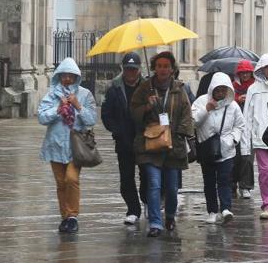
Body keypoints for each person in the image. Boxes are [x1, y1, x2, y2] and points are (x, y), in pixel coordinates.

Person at [131, 51, 193, 237]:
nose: (163, 69)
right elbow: (133, 113)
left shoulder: (179, 89)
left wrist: (181, 133)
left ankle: (170, 216)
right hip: (150, 144)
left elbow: (187, 114)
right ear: (154, 68)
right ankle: (155, 223)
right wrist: (147, 107)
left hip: (173, 146)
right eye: (159, 66)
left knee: (172, 188)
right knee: (154, 184)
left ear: (172, 69)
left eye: (166, 66)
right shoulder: (144, 88)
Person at [38, 57, 97, 233]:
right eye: (64, 75)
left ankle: (72, 216)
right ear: (59, 76)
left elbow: (91, 119)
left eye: (71, 76)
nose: (68, 79)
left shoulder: (85, 94)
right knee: (60, 183)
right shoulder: (51, 95)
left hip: (75, 146)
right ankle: (65, 217)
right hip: (55, 144)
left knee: (71, 178)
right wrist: (57, 109)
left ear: (76, 77)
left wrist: (78, 106)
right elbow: (42, 117)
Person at [192, 72, 246, 225]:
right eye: (218, 90)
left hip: (226, 150)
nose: (221, 93)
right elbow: (193, 121)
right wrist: (206, 109)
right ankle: (212, 211)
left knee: (224, 180)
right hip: (206, 149)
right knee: (209, 181)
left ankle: (226, 209)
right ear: (212, 89)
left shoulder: (233, 106)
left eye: (224, 90)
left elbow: (240, 125)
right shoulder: (201, 102)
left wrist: (233, 140)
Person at [101, 52, 147, 225]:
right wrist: (116, 130)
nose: (131, 73)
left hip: (144, 139)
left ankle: (147, 201)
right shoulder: (114, 88)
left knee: (147, 176)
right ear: (123, 69)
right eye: (128, 69)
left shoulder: (147, 86)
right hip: (124, 141)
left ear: (139, 70)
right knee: (126, 177)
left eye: (134, 69)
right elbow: (106, 114)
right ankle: (133, 209)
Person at [242, 53, 268, 219]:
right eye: (267, 67)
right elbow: (248, 115)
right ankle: (267, 203)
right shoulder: (253, 89)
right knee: (265, 171)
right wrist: (246, 143)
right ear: (261, 69)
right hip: (260, 138)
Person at [232, 60, 256, 199]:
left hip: (250, 127)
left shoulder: (255, 86)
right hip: (234, 126)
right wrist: (237, 99)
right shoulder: (233, 86)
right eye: (242, 73)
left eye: (247, 72)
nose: (245, 75)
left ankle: (245, 186)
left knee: (247, 157)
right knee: (234, 156)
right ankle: (232, 183)